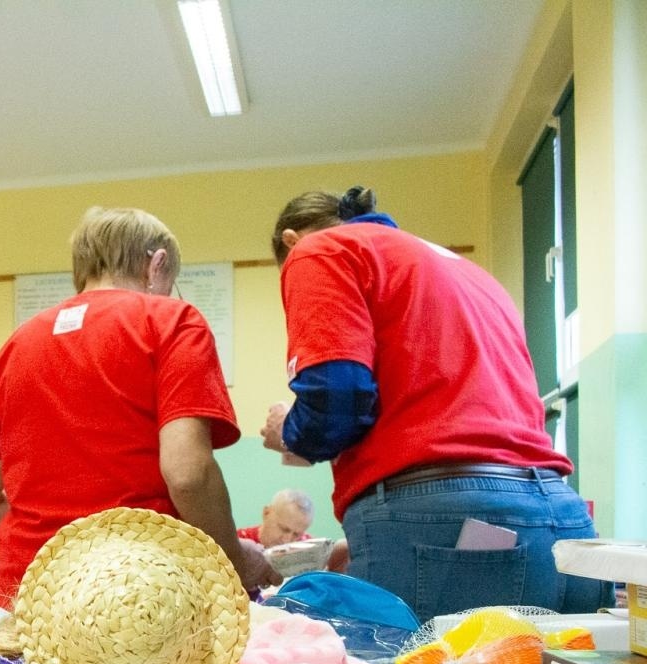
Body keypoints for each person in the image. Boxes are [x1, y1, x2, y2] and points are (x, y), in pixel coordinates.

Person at [258, 185, 610, 619]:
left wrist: (289, 431)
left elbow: (336, 403)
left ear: (292, 242)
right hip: (560, 518)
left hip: (439, 520)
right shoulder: (469, 273)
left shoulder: (318, 250)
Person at [0, 206, 277, 619]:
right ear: (156, 265)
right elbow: (188, 474)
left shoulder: (18, 344)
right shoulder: (172, 321)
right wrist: (233, 559)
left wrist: (64, 553)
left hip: (27, 596)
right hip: (136, 594)